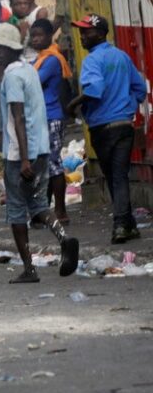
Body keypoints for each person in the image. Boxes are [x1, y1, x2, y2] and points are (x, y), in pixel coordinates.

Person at [0, 24, 79, 283]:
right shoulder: (29, 69)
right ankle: (64, 239)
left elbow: (19, 118)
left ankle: (29, 268)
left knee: (17, 211)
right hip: (40, 148)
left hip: (21, 154)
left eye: (1, 49)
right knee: (38, 204)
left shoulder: (12, 77)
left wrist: (24, 159)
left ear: (11, 50)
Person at [69, 14, 147, 243]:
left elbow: (95, 89)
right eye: (81, 32)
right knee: (118, 175)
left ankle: (121, 224)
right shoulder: (121, 56)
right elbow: (140, 89)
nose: (82, 36)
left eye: (86, 32)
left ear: (101, 34)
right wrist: (128, 106)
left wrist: (73, 104)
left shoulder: (92, 61)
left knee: (115, 176)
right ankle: (128, 223)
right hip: (124, 125)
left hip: (102, 128)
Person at [30, 18, 72, 222]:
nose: (35, 39)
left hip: (51, 116)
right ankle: (43, 210)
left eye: (39, 35)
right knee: (43, 164)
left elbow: (32, 81)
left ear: (49, 36)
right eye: (32, 36)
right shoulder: (39, 59)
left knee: (53, 164)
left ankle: (61, 211)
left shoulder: (52, 59)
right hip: (41, 117)